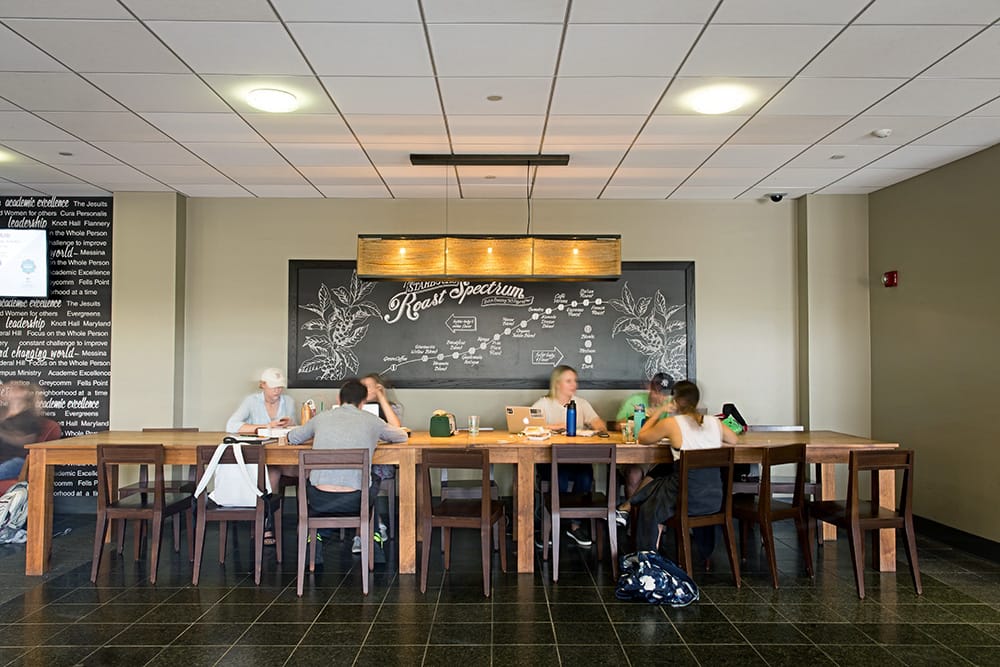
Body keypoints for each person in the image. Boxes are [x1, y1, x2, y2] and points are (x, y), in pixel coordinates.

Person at [288, 379, 408, 560]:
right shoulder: (372, 421)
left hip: (318, 499)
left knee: (311, 481)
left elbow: (293, 437)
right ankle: (373, 540)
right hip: (356, 500)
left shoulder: (321, 418)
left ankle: (316, 538)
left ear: (339, 399)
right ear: (363, 402)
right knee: (373, 480)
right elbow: (401, 436)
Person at [627, 380, 740, 563]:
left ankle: (648, 560)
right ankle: (632, 513)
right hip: (712, 498)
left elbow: (642, 437)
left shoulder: (673, 423)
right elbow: (734, 440)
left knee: (650, 505)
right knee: (657, 489)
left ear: (676, 401)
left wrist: (658, 413)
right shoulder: (713, 422)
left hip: (685, 497)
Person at [532, 365, 607, 547]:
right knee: (560, 477)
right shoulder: (544, 403)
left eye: (575, 380)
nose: (574, 384)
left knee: (585, 476)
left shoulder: (581, 403)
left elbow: (600, 425)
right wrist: (554, 427)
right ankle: (548, 526)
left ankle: (575, 526)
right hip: (550, 460)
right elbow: (527, 426)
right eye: (569, 381)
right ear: (557, 384)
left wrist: (597, 426)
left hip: (576, 459)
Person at [226, 368, 297, 545]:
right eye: (273, 387)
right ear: (262, 385)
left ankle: (306, 524)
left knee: (302, 470)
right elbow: (232, 425)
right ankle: (267, 523)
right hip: (259, 456)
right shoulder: (252, 401)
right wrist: (264, 427)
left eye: (280, 387)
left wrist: (291, 423)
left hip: (283, 454)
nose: (277, 391)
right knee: (271, 472)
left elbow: (296, 429)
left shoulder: (288, 401)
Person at [615, 372, 674, 505]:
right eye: (657, 392)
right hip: (637, 456)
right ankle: (633, 517)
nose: (661, 398)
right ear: (650, 388)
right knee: (633, 475)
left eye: (665, 394)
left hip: (663, 457)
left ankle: (657, 520)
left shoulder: (673, 404)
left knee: (672, 474)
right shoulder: (635, 401)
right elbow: (618, 425)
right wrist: (642, 415)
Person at [0, 382, 43, 479]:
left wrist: (2, 434)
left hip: (17, 460)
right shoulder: (2, 413)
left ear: (27, 393)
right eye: (10, 387)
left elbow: (26, 440)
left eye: (18, 388)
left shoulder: (29, 417)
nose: (11, 388)